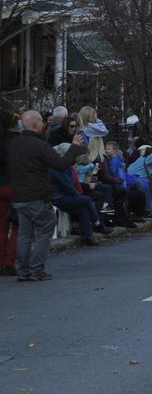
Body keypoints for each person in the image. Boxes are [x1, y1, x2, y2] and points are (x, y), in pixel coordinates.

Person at [8, 110, 87, 281]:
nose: (44, 125)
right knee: (45, 229)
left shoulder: (14, 145)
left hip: (19, 196)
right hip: (37, 195)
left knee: (24, 234)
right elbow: (61, 164)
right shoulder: (40, 145)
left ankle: (23, 270)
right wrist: (74, 147)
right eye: (42, 122)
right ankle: (37, 269)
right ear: (36, 124)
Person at [0, 109, 18, 275]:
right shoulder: (14, 142)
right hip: (12, 185)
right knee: (17, 225)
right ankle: (9, 261)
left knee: (1, 228)